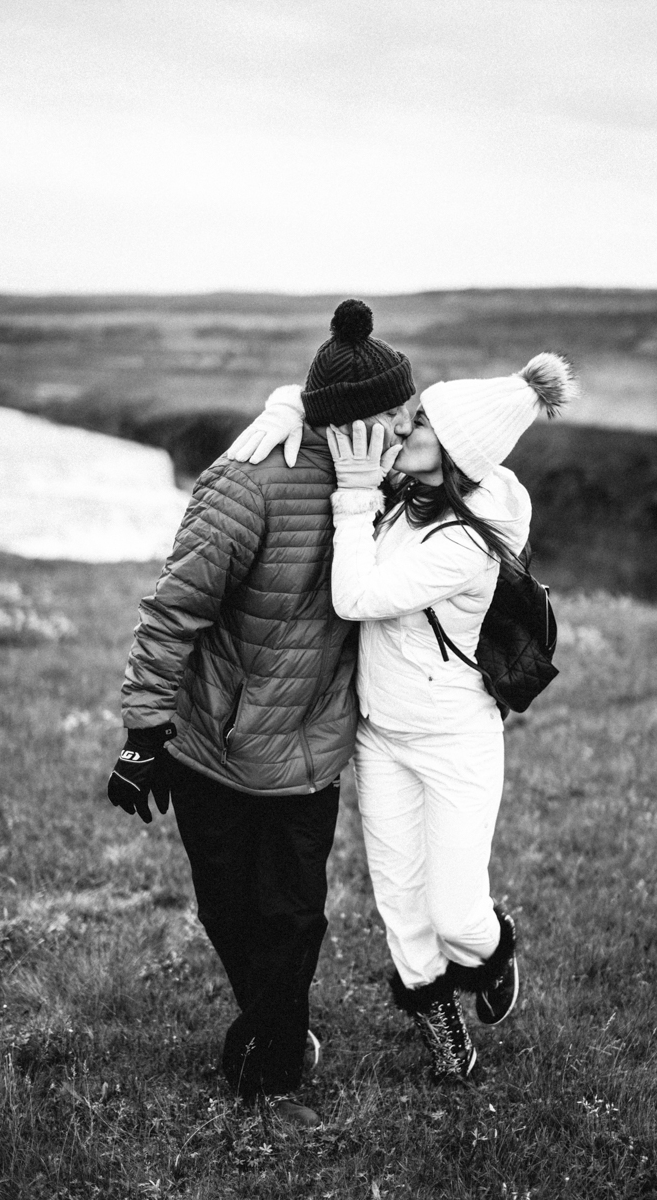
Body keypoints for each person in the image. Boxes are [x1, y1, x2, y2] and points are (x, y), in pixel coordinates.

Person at [106, 299, 414, 1127]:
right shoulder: (246, 483)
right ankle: (278, 1029)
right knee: (228, 909)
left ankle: (272, 1058)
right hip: (213, 746)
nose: (409, 423)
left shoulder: (394, 484)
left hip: (311, 749)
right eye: (394, 412)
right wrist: (143, 736)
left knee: (294, 915)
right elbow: (173, 611)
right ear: (350, 423)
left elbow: (485, 430)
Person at [239, 353, 575, 1082]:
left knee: (457, 914)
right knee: (401, 903)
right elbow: (335, 407)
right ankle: (440, 1027)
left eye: (421, 421)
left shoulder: (468, 539)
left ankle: (491, 954)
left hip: (456, 739)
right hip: (379, 737)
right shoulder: (406, 484)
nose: (404, 424)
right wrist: (284, 408)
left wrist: (353, 499)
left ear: (453, 452)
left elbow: (356, 597)